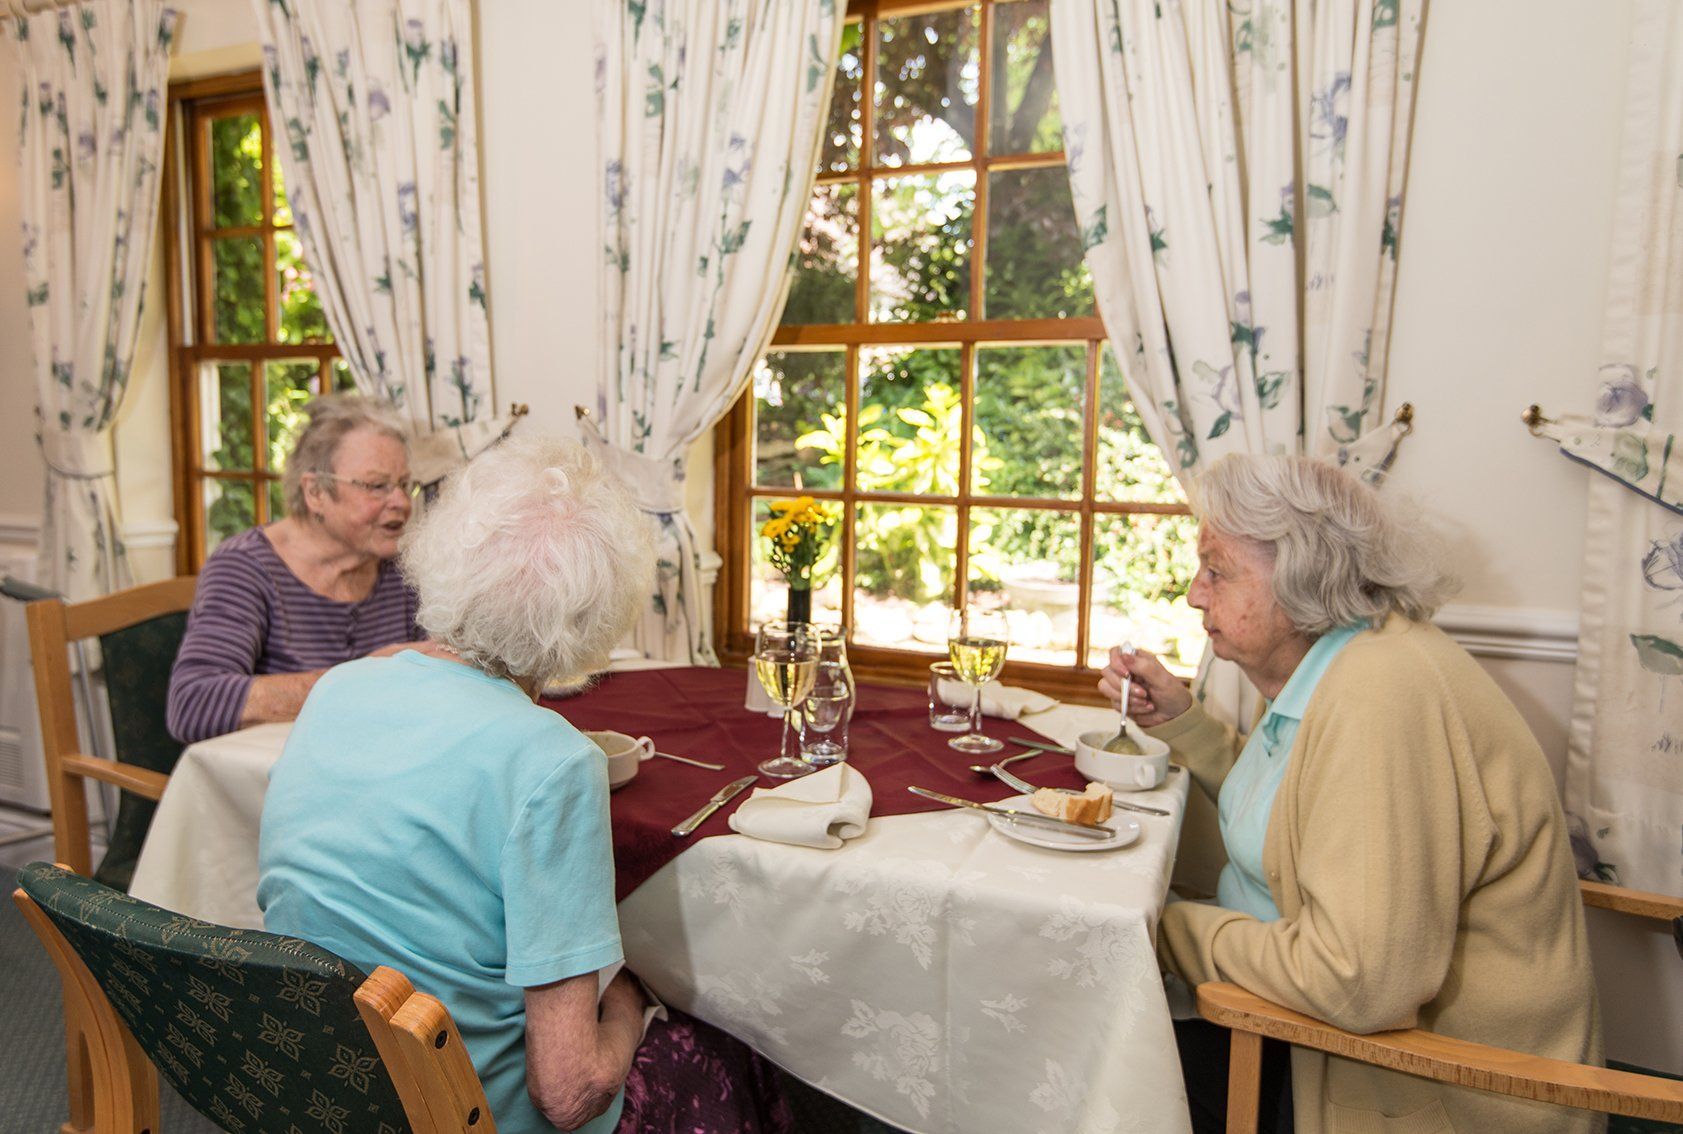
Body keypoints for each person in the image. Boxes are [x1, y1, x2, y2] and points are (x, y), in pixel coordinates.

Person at [256, 433, 792, 1134]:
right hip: (458, 1110)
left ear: (443, 561)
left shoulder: (338, 688)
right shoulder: (552, 758)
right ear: (596, 615)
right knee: (725, 1048)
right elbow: (568, 1094)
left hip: (321, 1079)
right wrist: (633, 996)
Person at [1101, 453, 1601, 1134]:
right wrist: (1182, 721)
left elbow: (1356, 983)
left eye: (1216, 570)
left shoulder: (1378, 695)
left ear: (1302, 579)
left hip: (1415, 1090)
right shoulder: (1350, 661)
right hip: (1302, 1030)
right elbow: (1299, 808)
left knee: (1099, 1075)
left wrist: (1163, 927)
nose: (1194, 593)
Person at [166, 395, 426, 744]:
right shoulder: (246, 568)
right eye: (377, 486)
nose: (402, 503)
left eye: (405, 485)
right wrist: (361, 679)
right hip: (276, 784)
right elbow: (193, 703)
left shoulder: (404, 568)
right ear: (316, 492)